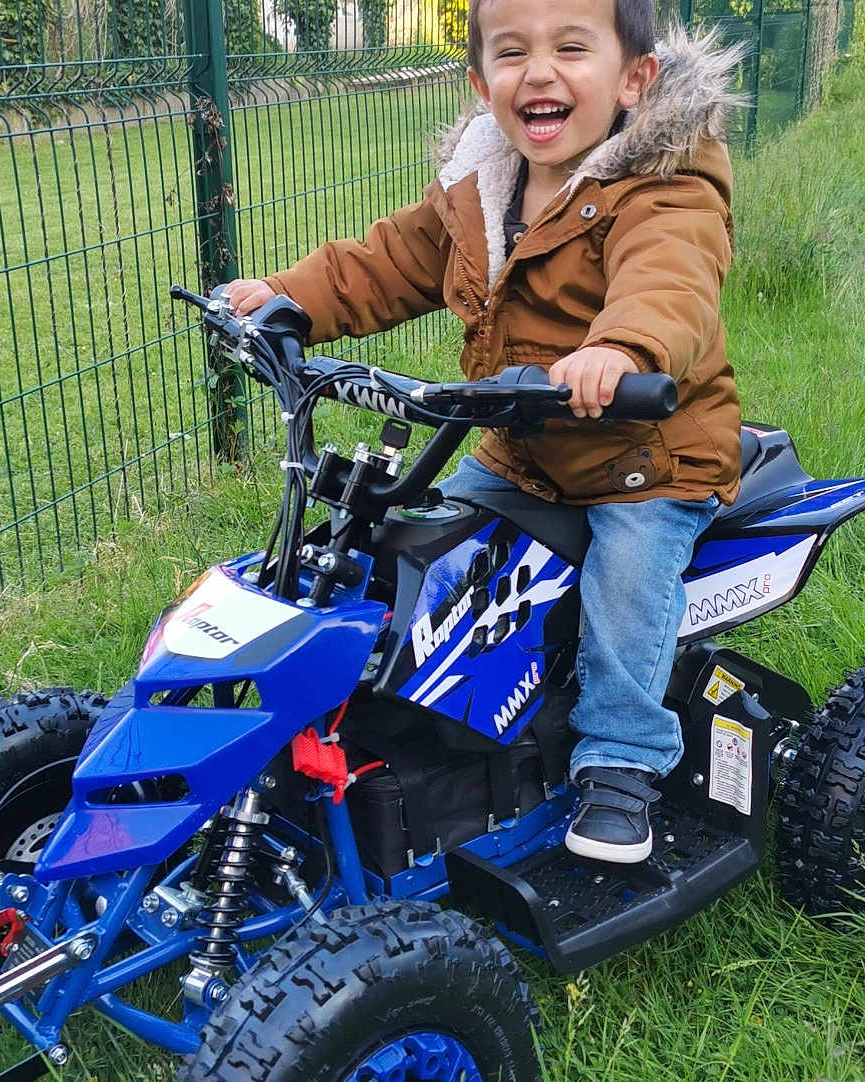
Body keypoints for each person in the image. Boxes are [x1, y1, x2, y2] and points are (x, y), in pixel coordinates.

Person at [224, 0, 745, 863]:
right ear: (480, 84)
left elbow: (671, 281)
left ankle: (622, 759)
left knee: (626, 582)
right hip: (524, 453)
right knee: (426, 559)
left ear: (634, 78)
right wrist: (287, 298)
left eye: (571, 47)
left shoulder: (666, 184)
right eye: (511, 52)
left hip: (647, 460)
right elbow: (383, 263)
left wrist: (621, 347)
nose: (538, 71)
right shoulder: (481, 191)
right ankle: (406, 729)